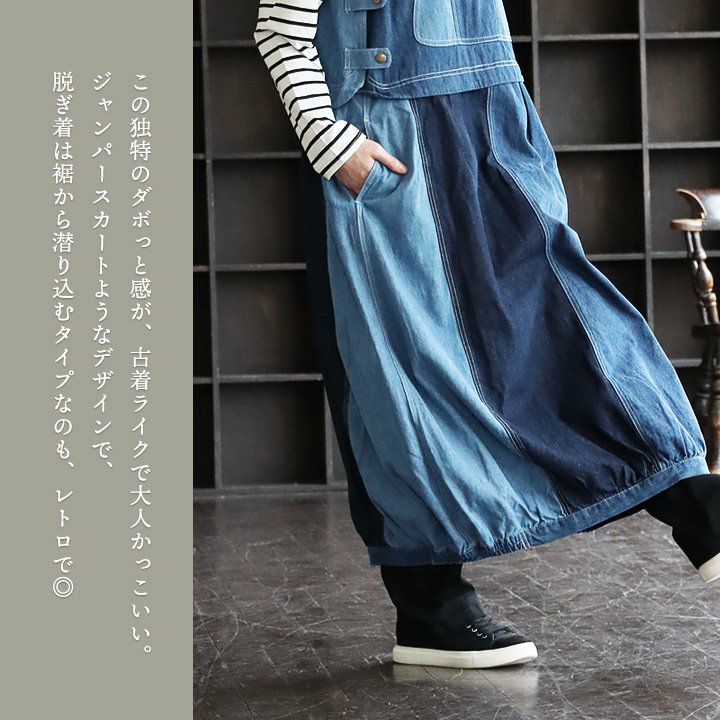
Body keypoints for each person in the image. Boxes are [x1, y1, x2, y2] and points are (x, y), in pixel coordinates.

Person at [253, 0, 720, 669]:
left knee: (569, 326)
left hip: (492, 127)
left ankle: (695, 503)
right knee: (402, 375)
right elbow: (280, 29)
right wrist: (333, 144)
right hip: (387, 140)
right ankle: (429, 605)